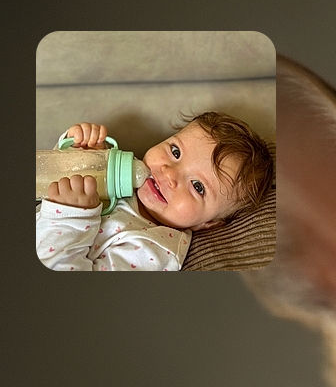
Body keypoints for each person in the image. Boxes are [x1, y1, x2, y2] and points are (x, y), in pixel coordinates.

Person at [36, 113, 273, 271]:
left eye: (197, 186)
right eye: (175, 152)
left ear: (207, 224)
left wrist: (70, 217)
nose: (169, 174)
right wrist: (79, 150)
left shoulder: (156, 249)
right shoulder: (121, 167)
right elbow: (49, 177)